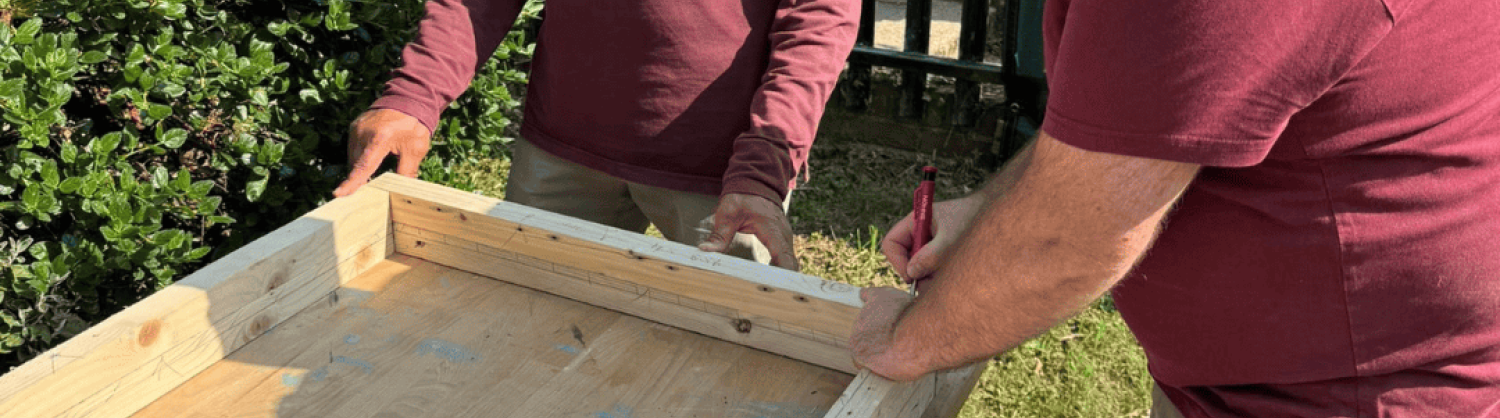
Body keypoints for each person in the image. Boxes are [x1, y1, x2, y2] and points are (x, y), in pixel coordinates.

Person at [850, 0, 1500, 417]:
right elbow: (1132, 126)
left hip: (1349, 396)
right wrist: (988, 210)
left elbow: (1067, 242)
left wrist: (904, 341)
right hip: (1266, 382)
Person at [332, 0, 860, 271]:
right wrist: (413, 96)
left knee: (732, 356)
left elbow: (819, 21)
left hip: (723, 178)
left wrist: (765, 163)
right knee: (533, 328)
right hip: (561, 150)